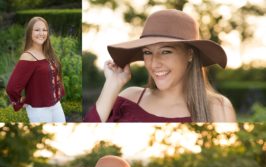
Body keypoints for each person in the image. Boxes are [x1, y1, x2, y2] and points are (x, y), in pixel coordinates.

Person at [84, 9, 236, 123]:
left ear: (190, 54)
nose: (154, 63)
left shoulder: (218, 108)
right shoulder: (129, 98)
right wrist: (112, 84)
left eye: (166, 51)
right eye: (148, 52)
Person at [6, 16, 66, 122]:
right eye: (37, 30)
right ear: (30, 32)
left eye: (44, 30)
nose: (41, 33)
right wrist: (20, 101)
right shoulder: (28, 56)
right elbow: (12, 87)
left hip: (56, 105)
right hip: (39, 110)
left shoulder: (48, 53)